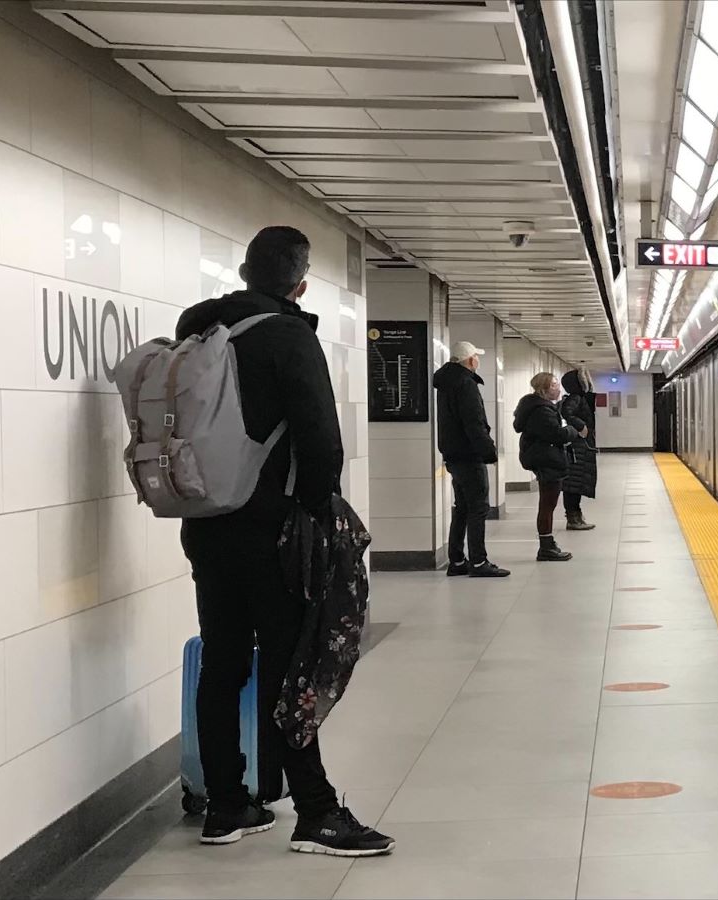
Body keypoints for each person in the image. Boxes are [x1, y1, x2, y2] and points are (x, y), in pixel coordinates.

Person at [175, 226, 394, 856]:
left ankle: (225, 806)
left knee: (222, 660)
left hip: (206, 523)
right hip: (272, 528)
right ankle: (317, 812)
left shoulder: (198, 332)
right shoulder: (288, 335)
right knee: (288, 661)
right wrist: (316, 511)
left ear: (245, 272)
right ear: (300, 283)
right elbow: (321, 440)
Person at [433, 342, 509, 578]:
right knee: (478, 507)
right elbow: (474, 422)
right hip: (469, 454)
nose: (478, 361)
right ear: (470, 360)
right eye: (477, 356)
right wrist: (489, 452)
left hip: (453, 454)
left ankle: (456, 560)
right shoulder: (466, 384)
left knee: (462, 507)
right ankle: (478, 562)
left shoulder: (446, 384)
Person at [514, 372, 579, 561]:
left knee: (547, 503)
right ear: (544, 389)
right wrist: (571, 430)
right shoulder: (541, 410)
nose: (558, 388)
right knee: (547, 504)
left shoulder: (536, 407)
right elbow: (556, 434)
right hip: (547, 459)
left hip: (543, 457)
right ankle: (546, 546)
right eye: (554, 385)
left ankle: (548, 543)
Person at [558, 369, 598, 531]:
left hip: (581, 446)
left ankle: (576, 515)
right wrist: (581, 426)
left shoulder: (578, 398)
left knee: (577, 482)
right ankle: (573, 517)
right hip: (578, 447)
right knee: (574, 483)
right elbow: (566, 412)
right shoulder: (576, 398)